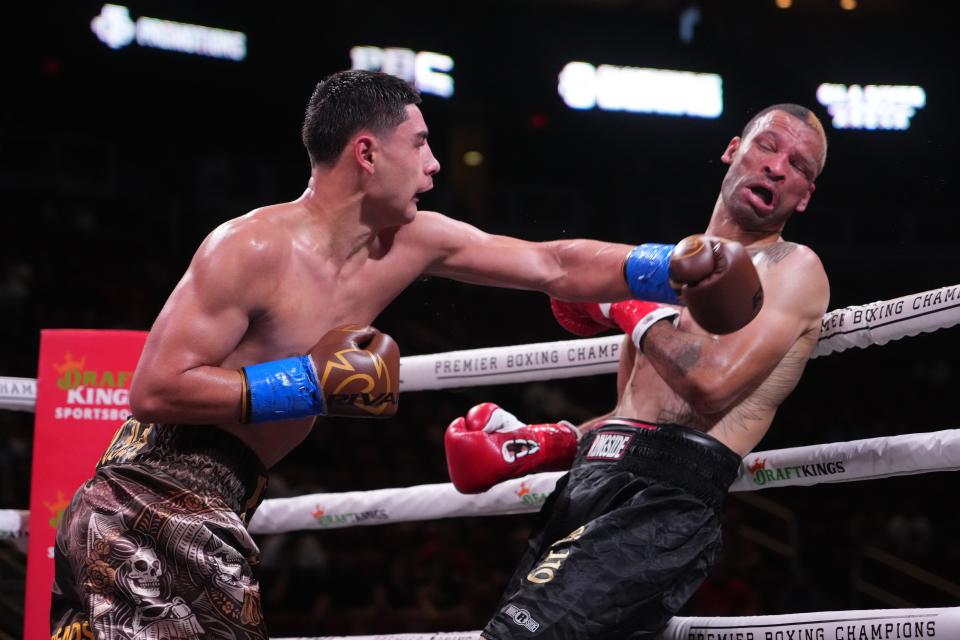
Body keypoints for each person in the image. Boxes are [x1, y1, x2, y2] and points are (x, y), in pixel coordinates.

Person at [50, 70, 761, 640]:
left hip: (216, 505)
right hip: (148, 501)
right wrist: (304, 384)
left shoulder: (411, 241)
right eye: (419, 143)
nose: (435, 161)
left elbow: (549, 262)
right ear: (367, 152)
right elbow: (154, 389)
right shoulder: (250, 246)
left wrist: (669, 265)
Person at [445, 104, 830, 639]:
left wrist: (624, 304)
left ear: (804, 195)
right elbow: (632, 416)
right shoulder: (666, 270)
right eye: (768, 146)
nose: (779, 167)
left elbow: (712, 387)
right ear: (733, 149)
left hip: (663, 499)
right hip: (592, 482)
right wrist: (551, 442)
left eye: (801, 167)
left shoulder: (793, 267)